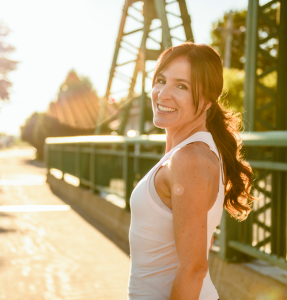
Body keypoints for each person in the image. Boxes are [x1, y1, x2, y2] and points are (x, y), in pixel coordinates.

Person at [127, 42, 256, 300]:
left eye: (181, 86)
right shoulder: (188, 152)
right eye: (161, 80)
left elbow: (194, 269)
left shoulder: (189, 160)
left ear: (208, 100)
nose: (163, 94)